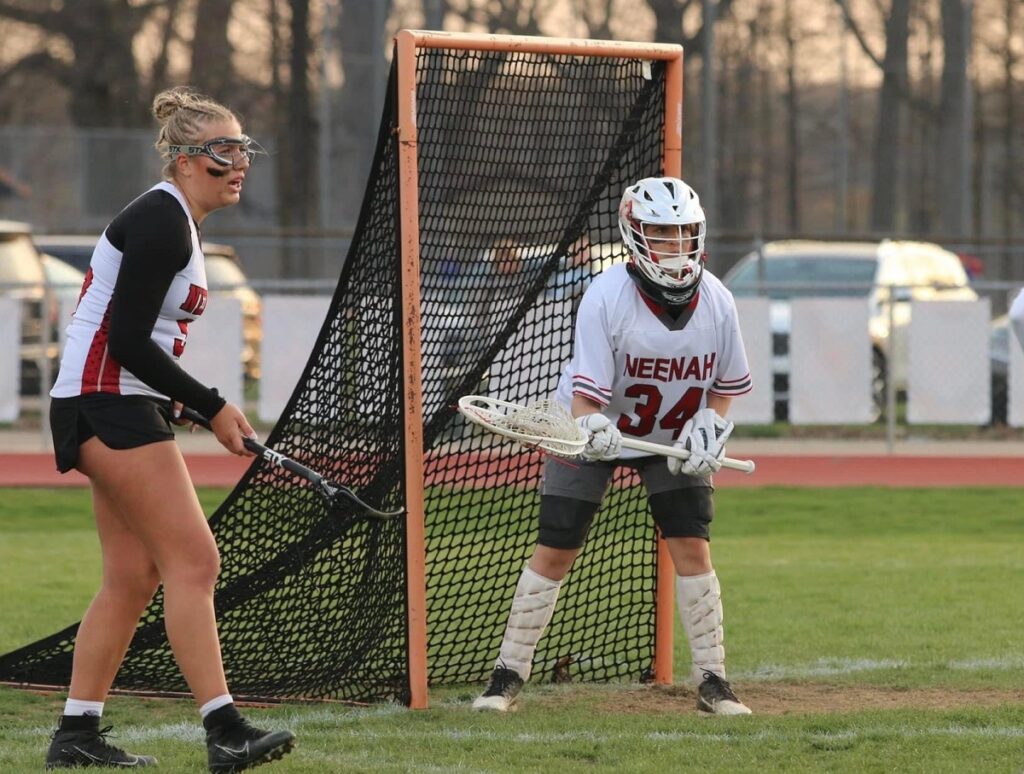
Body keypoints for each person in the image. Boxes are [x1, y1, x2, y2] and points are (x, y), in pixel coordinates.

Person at [44, 87, 295, 770]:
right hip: (107, 401)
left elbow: (130, 338)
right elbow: (124, 338)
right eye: (222, 151)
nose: (238, 162)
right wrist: (212, 403)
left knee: (132, 575)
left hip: (111, 399)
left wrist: (186, 406)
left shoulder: (177, 220)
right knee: (196, 561)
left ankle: (76, 736)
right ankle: (225, 729)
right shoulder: (162, 217)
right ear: (184, 160)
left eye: (244, 148)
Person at [473, 176, 753, 716]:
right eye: (661, 234)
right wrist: (593, 428)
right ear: (633, 233)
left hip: (670, 437)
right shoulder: (606, 295)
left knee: (691, 545)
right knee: (558, 543)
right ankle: (506, 675)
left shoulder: (718, 299)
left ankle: (715, 681)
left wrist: (709, 427)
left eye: (684, 233)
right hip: (590, 428)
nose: (675, 246)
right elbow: (584, 398)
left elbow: (724, 387)